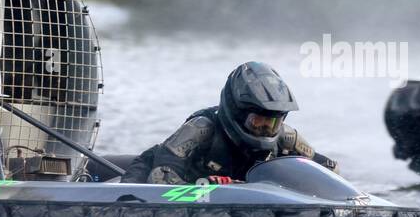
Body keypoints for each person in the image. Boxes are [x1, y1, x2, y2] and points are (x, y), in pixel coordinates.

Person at [121, 61, 339, 184]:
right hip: (149, 179)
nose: (265, 129)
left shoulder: (287, 138)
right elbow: (160, 179)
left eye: (271, 123)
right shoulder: (201, 129)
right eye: (257, 121)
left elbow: (330, 171)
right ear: (237, 112)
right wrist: (208, 188)